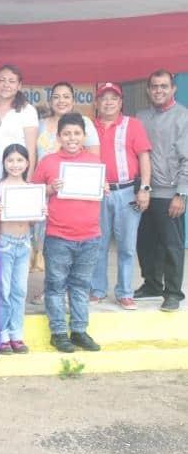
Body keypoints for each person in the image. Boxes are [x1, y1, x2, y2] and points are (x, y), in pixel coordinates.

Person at [33, 113, 103, 353]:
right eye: (66, 133)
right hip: (58, 236)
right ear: (58, 136)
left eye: (76, 133)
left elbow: (102, 192)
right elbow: (33, 193)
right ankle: (59, 332)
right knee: (55, 286)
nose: (72, 138)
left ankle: (80, 331)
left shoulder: (95, 163)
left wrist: (104, 187)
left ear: (84, 135)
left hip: (90, 236)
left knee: (82, 286)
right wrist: (50, 189)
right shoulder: (48, 162)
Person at [31, 81, 100, 287]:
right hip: (47, 191)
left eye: (66, 96)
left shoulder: (84, 122)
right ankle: (50, 288)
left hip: (75, 196)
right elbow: (34, 157)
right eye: (56, 97)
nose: (61, 101)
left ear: (73, 99)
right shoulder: (41, 123)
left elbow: (95, 160)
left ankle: (73, 289)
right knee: (47, 244)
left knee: (72, 245)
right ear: (50, 101)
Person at [91, 82, 152, 310]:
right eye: (103, 98)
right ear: (96, 103)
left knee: (127, 245)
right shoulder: (89, 127)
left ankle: (125, 292)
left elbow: (144, 157)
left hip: (127, 192)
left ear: (120, 102)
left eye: (113, 98)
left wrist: (145, 189)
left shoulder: (132, 125)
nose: (108, 102)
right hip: (98, 193)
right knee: (98, 243)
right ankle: (97, 289)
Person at [136, 69, 188, 312]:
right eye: (155, 86)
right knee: (146, 244)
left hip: (169, 193)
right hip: (145, 192)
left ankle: (174, 292)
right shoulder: (141, 116)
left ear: (173, 89)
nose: (159, 90)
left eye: (164, 86)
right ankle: (153, 285)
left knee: (171, 245)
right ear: (148, 90)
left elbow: (187, 159)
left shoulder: (182, 117)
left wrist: (181, 193)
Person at [0, 144, 35, 355]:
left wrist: (39, 211)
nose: (15, 165)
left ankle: (17, 334)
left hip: (24, 243)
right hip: (5, 243)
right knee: (4, 290)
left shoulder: (31, 188)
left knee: (20, 290)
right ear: (4, 163)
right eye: (10, 160)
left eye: (19, 160)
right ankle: (2, 335)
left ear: (27, 163)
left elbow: (33, 220)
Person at [0, 65, 38, 184]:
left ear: (19, 85)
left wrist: (27, 182)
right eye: (2, 80)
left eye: (12, 81)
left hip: (16, 177)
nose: (6, 85)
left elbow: (31, 151)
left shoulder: (28, 111)